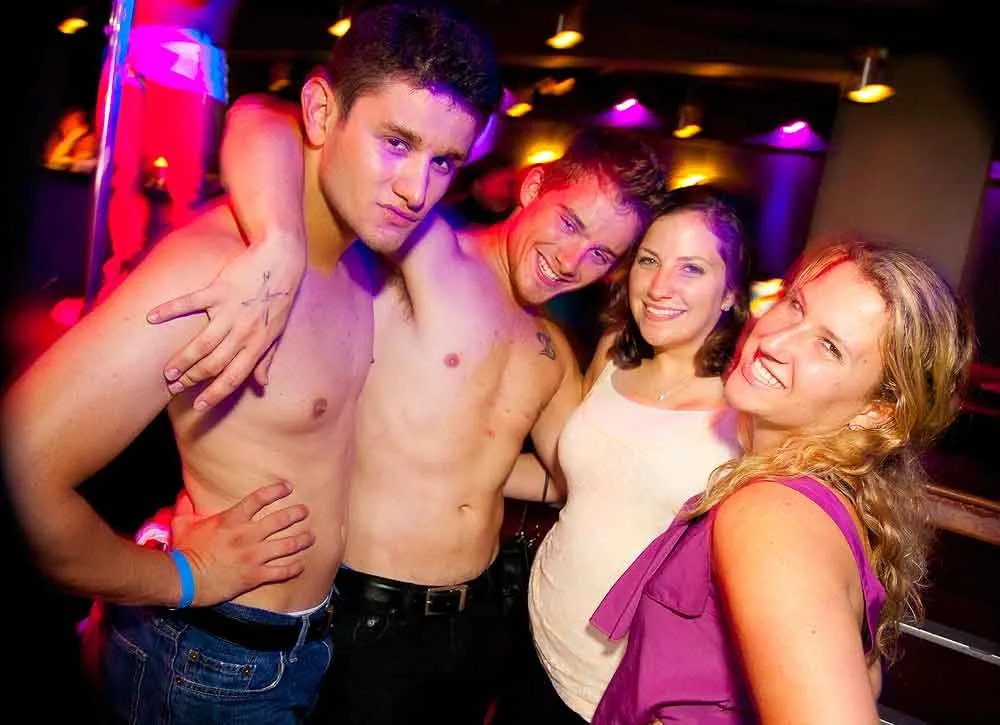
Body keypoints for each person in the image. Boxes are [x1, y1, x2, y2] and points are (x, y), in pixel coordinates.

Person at [1, 3, 500, 722]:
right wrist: (177, 575)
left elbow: (258, 115)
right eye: (396, 142)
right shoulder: (217, 273)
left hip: (306, 646)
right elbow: (20, 470)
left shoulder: (359, 256)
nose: (417, 190)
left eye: (444, 161)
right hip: (209, 660)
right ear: (322, 114)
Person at [141, 105, 665, 720]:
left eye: (601, 254)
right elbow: (263, 118)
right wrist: (279, 238)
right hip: (367, 617)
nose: (572, 260)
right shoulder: (428, 250)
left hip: (476, 621)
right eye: (570, 223)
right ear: (532, 188)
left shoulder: (554, 349)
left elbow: (582, 476)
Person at [589, 237, 974, 724]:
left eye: (829, 347)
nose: (772, 340)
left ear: (878, 411)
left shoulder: (771, 515)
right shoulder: (828, 494)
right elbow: (861, 673)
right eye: (795, 305)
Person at [491, 184, 750, 723]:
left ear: (730, 293)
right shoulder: (614, 353)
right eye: (649, 260)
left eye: (691, 268)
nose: (659, 286)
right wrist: (463, 470)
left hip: (635, 688)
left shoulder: (746, 404)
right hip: (538, 634)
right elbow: (578, 481)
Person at [96, 0, 241, 295]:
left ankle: (183, 279)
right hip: (131, 48)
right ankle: (122, 269)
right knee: (123, 174)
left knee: (186, 185)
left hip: (189, 50)